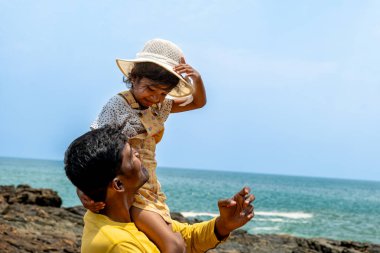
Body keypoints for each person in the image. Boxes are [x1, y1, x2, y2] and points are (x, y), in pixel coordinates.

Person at [78, 38, 207, 252]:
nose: (155, 97)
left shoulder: (160, 106)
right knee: (174, 244)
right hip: (128, 187)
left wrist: (197, 79)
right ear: (133, 78)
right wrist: (82, 189)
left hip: (151, 186)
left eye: (163, 93)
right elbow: (92, 149)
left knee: (165, 242)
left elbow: (197, 102)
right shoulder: (117, 105)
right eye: (150, 88)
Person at [64, 126, 255, 253]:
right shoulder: (118, 245)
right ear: (118, 185)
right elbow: (178, 245)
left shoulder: (131, 213)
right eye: (131, 156)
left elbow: (186, 238)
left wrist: (223, 225)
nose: (139, 153)